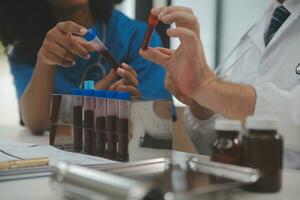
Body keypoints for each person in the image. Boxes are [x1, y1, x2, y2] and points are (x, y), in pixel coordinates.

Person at [140, 0, 300, 168]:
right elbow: (213, 146)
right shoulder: (257, 32)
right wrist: (200, 101)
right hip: (237, 184)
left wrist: (207, 85)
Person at [0, 0, 172, 135]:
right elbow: (37, 124)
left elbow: (157, 123)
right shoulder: (24, 52)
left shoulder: (139, 38)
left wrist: (130, 106)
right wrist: (44, 61)